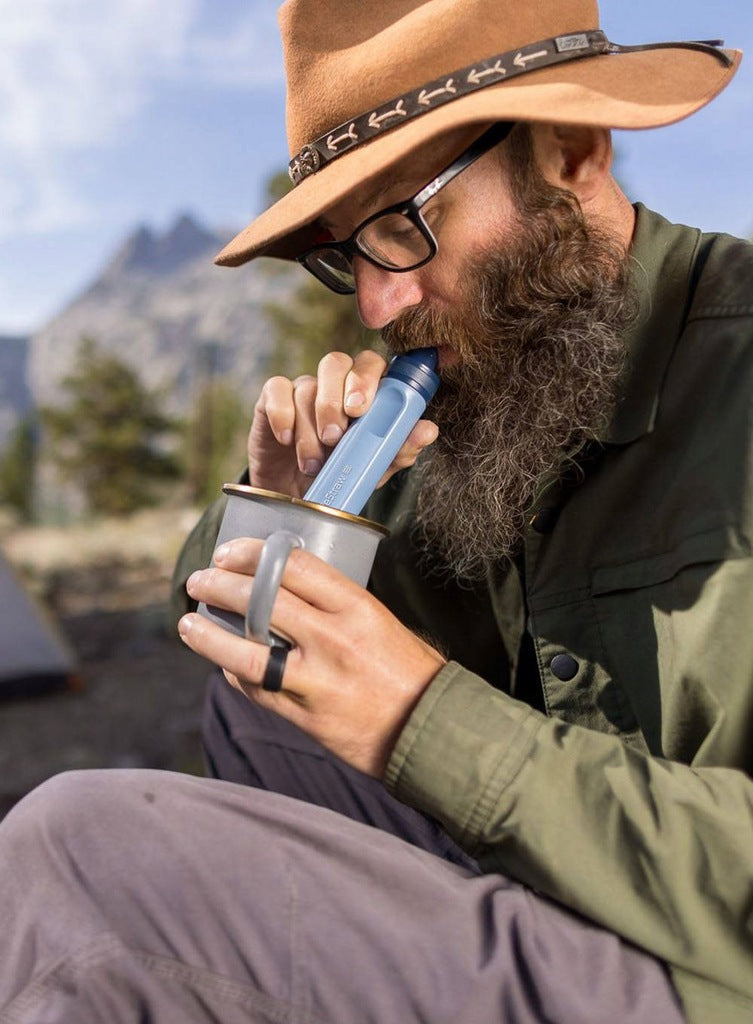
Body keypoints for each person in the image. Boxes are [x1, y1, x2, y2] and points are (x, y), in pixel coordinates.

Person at [0, 1, 750, 1021]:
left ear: (572, 150)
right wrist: (281, 514)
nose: (377, 305)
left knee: (78, 857)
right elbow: (228, 623)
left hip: (706, 973)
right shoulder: (516, 388)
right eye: (346, 252)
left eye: (406, 221)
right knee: (262, 714)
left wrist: (422, 718)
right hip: (578, 888)